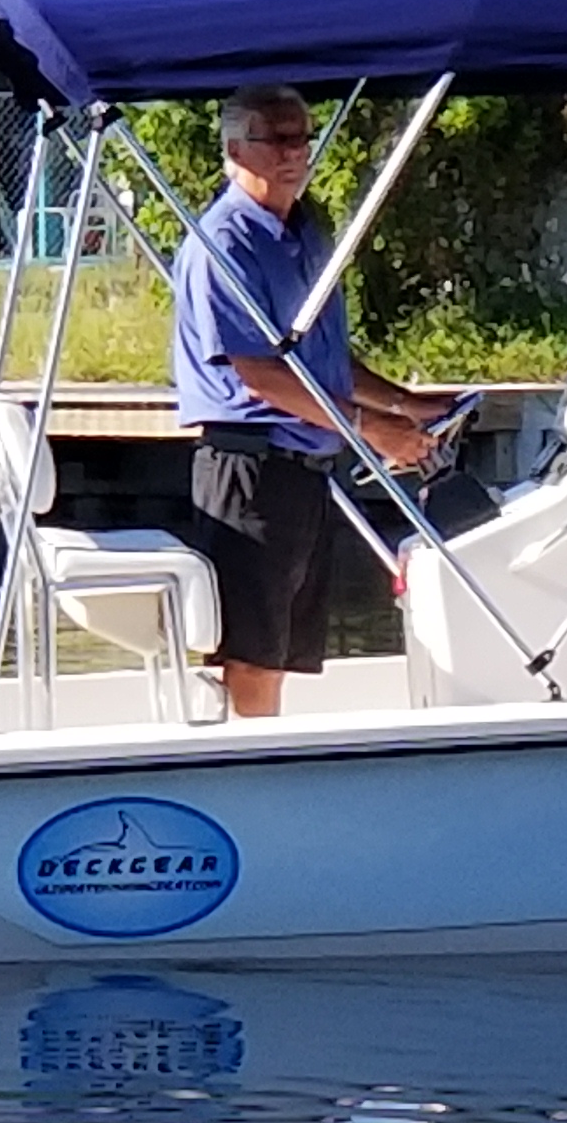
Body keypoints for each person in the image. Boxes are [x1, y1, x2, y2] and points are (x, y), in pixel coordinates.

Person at [170, 82, 463, 718]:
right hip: (249, 469)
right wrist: (371, 430)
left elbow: (320, 359)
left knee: (280, 649)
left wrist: (406, 405)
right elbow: (260, 373)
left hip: (302, 472)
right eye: (277, 139)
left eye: (301, 137)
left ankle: (266, 757)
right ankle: (246, 776)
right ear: (235, 149)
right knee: (249, 651)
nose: (294, 152)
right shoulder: (224, 243)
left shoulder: (306, 232)